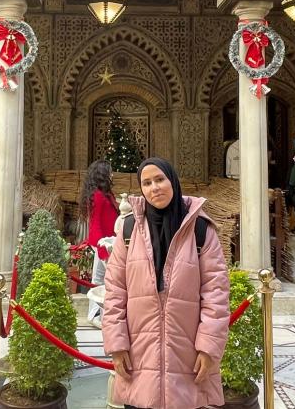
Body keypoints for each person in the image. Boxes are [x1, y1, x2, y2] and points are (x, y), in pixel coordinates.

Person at [103, 157, 230, 409]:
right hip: (139, 353)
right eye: (147, 183)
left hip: (187, 353)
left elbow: (216, 293)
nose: (154, 188)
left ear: (172, 180)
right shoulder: (129, 230)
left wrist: (208, 347)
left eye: (160, 179)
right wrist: (117, 345)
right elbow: (115, 290)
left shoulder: (200, 230)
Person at [79, 159, 119, 328]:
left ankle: (98, 315)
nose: (112, 174)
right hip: (103, 244)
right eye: (109, 171)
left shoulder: (105, 194)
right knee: (100, 280)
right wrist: (102, 248)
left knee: (102, 280)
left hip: (109, 242)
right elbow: (95, 224)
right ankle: (95, 315)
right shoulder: (97, 196)